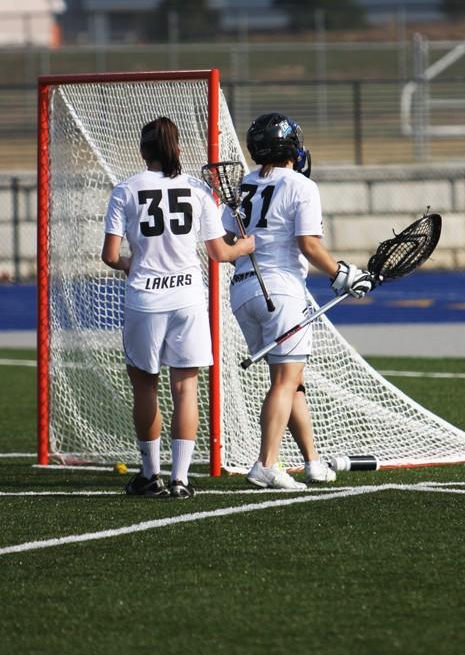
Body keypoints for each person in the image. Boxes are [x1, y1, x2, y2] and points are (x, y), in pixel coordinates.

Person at [102, 116, 254, 498]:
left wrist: (128, 265)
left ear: (142, 150)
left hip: (145, 300)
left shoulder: (125, 189)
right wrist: (246, 247)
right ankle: (181, 480)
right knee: (186, 388)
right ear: (178, 148)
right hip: (188, 298)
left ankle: (150, 475)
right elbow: (220, 252)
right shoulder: (198, 189)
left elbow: (110, 255)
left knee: (145, 387)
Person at [222, 112, 373, 490]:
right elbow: (308, 245)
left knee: (292, 380)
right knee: (285, 381)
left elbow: (227, 239)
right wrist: (343, 273)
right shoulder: (302, 186)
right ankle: (266, 464)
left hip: (242, 291)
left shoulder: (243, 184)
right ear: (290, 146)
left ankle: (312, 461)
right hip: (281, 292)